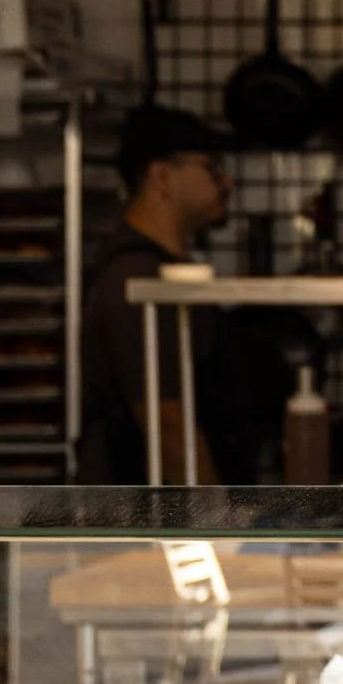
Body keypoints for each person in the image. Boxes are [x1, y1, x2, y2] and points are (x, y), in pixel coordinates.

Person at [76, 103, 229, 483]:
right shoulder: (138, 281)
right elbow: (169, 427)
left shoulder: (159, 275)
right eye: (211, 168)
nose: (227, 182)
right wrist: (219, 533)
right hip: (141, 529)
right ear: (161, 176)